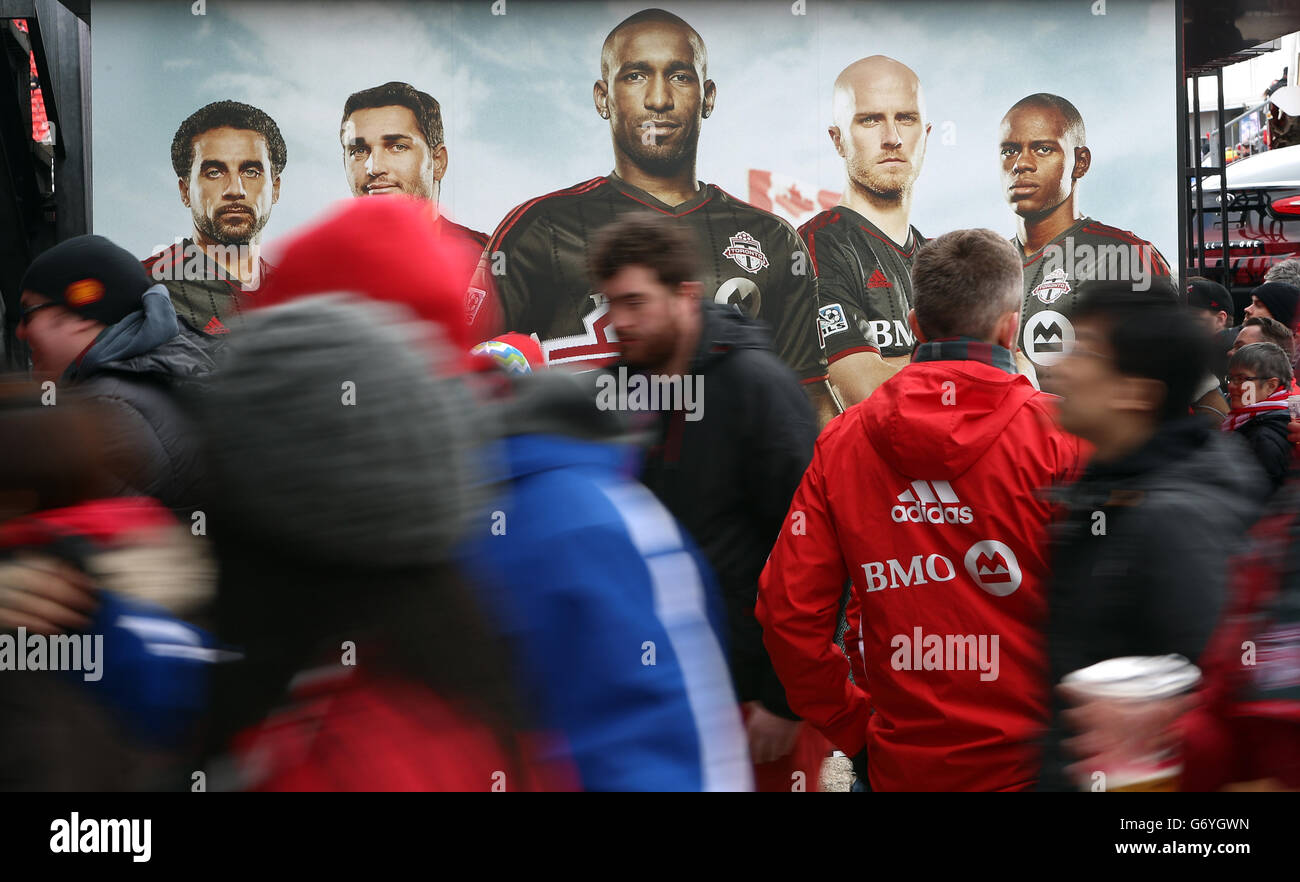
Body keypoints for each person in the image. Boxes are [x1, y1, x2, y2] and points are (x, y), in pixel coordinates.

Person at [251, 198, 752, 791]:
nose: (622, 323)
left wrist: (779, 701)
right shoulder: (292, 550)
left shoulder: (582, 525)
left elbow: (677, 757)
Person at [756, 229, 1082, 791]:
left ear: (912, 324)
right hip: (1034, 765)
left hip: (899, 766)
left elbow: (788, 617)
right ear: (1011, 326)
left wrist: (854, 728)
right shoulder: (1065, 436)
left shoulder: (843, 442)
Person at [470, 8, 833, 424]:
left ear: (708, 96)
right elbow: (463, 374)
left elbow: (810, 402)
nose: (658, 99)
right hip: (590, 479)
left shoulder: (772, 238)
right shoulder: (537, 228)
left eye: (680, 75)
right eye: (635, 75)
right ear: (602, 98)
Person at [592, 212, 827, 790]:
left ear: (687, 296)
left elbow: (814, 550)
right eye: (611, 304)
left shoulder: (756, 388)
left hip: (754, 702)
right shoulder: (622, 389)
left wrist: (783, 699)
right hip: (662, 693)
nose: (619, 322)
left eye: (635, 303)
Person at [1040, 286, 1266, 790]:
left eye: (1086, 351)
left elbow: (1222, 714)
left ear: (1136, 392)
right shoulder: (1105, 488)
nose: (1063, 367)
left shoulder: (1176, 519)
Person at [16, 235, 217, 514]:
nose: (20, 332)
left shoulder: (105, 409)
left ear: (82, 313)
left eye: (29, 313)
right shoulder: (165, 376)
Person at [998, 93, 1172, 390]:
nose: (1021, 164)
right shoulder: (985, 263)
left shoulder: (1124, 256)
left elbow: (1167, 380)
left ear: (1080, 162)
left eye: (1042, 149)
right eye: (1009, 151)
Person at [799, 56, 931, 409]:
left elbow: (1010, 371)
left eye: (906, 118)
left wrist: (898, 367)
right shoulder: (814, 247)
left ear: (926, 134)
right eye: (870, 120)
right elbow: (868, 394)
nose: (893, 138)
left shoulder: (945, 259)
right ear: (838, 139)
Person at [339, 82, 498, 342]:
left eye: (396, 146)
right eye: (358, 151)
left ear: (438, 162)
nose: (373, 166)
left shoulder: (490, 263)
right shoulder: (317, 275)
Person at [143, 100, 286, 335]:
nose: (235, 189)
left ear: (276, 188)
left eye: (251, 171)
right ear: (185, 191)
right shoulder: (144, 287)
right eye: (214, 172)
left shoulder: (298, 296)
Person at [1223, 342, 1294, 494]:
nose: (1231, 386)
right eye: (1231, 378)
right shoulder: (1282, 416)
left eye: (1242, 379)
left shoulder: (1262, 438)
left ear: (1271, 386)